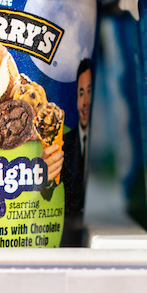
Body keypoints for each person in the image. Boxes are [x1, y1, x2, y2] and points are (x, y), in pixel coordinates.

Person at [42, 58, 94, 201]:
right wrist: (45, 177)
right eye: (81, 93)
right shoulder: (62, 143)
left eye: (89, 92)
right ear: (76, 97)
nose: (85, 102)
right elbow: (47, 196)